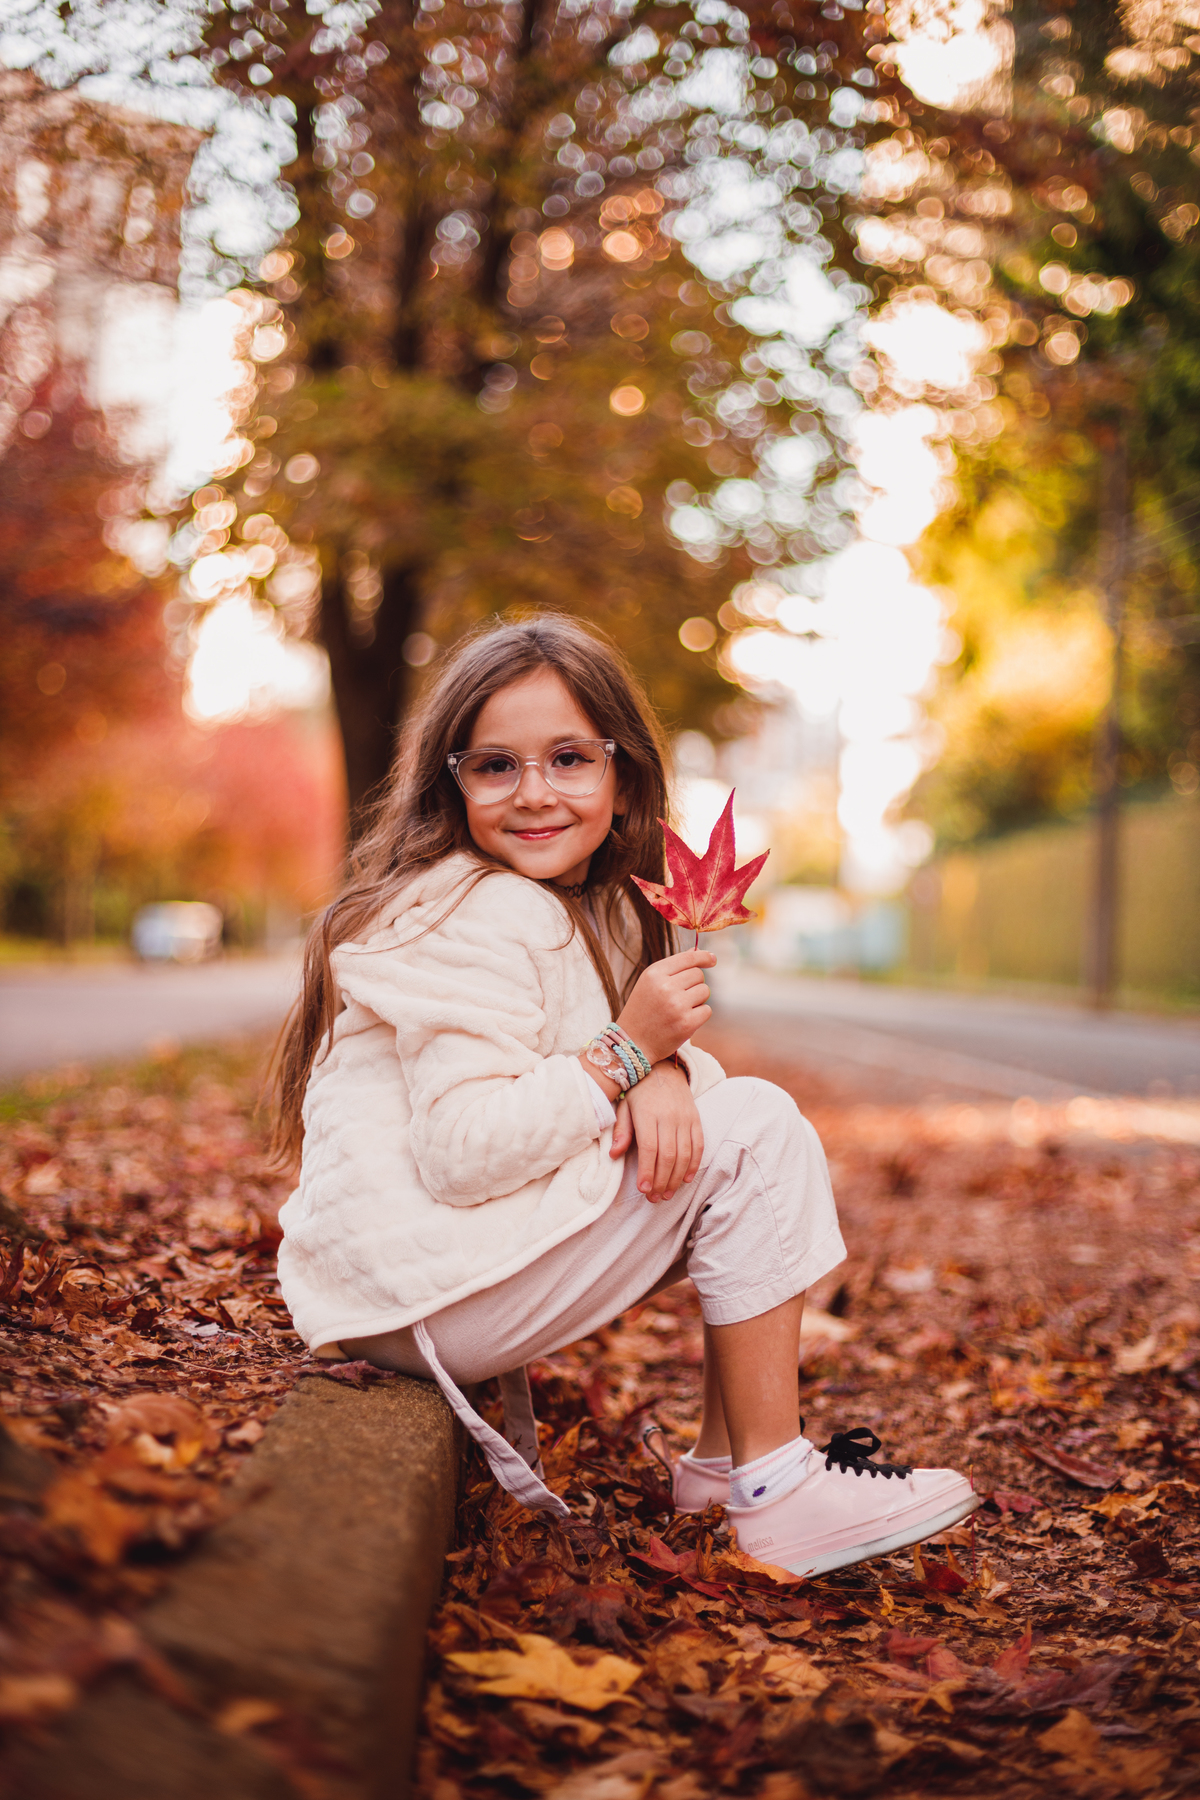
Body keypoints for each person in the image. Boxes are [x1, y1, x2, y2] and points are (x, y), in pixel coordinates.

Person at [274, 615, 978, 1576]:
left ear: (622, 772)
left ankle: (731, 1467)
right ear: (453, 781)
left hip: (407, 1293)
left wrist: (666, 1068)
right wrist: (624, 1058)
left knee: (744, 1123)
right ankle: (774, 1488)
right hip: (422, 1297)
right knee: (760, 1130)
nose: (535, 794)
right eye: (495, 766)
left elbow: (643, 1086)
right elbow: (461, 1147)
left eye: (569, 758)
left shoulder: (574, 909)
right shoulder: (478, 908)